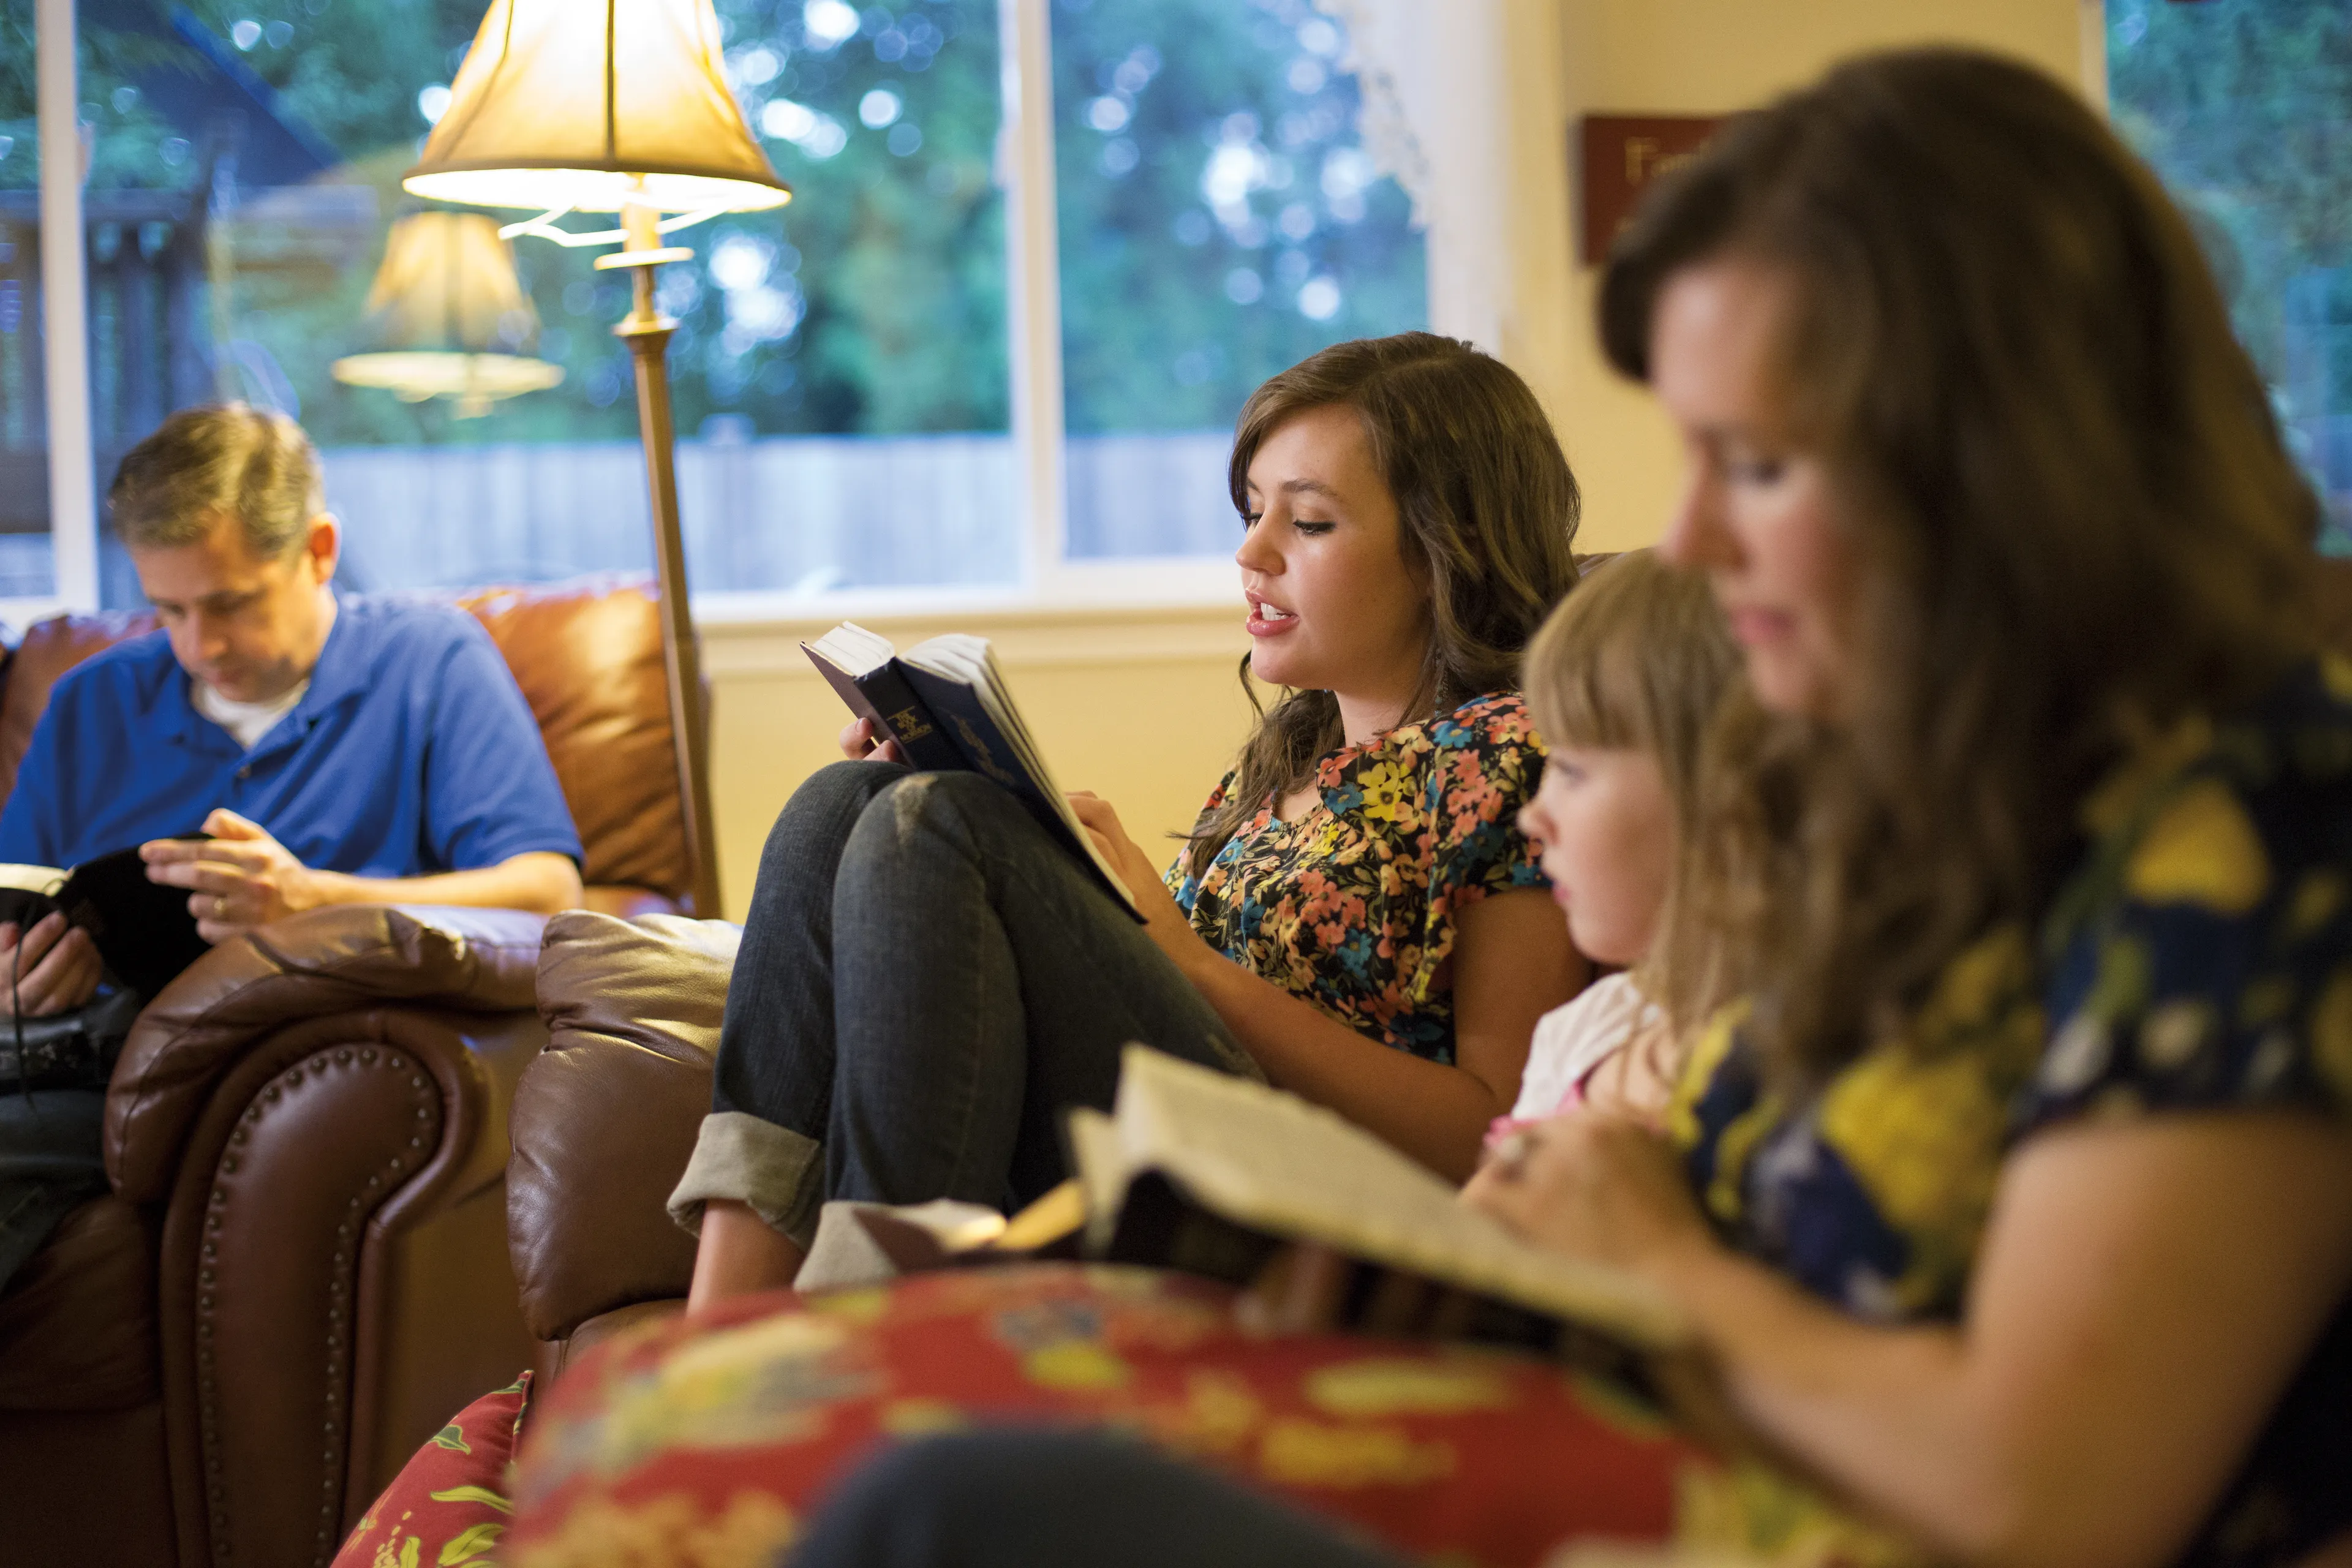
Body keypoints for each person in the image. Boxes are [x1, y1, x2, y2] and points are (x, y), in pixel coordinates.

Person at [771, 47, 2350, 1568]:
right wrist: (1476, 1286)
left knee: (926, 1510)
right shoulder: (1935, 811)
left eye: (1760, 466)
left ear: (2006, 457)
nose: (1691, 541)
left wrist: (1652, 1263)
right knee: (930, 1461)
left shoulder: (2249, 833)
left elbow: (2038, 1491)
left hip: (1730, 1514)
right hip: (1637, 1424)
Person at [674, 333, 1588, 1310]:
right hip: (1151, 1125)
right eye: (1252, 513)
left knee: (937, 823)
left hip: (1299, 1202)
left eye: (1310, 523)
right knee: (844, 804)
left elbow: (1492, 1130)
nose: (1251, 553)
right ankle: (721, 1319)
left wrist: (1192, 965)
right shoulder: (1291, 754)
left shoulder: (1518, 760)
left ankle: (868, 1328)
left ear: (1448, 547)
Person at [0, 402, 583, 1286]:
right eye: (169, 610)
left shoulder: (428, 663)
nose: (202, 646)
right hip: (67, 1060)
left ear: (319, 550)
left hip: (291, 1081)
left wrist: (310, 899)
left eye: (231, 602)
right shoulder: (90, 702)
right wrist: (20, 974)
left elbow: (548, 892)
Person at [1488, 550, 1739, 1141]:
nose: (1534, 818)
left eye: (1572, 770)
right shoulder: (1586, 1031)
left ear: (1720, 792)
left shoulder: (1800, 1090)